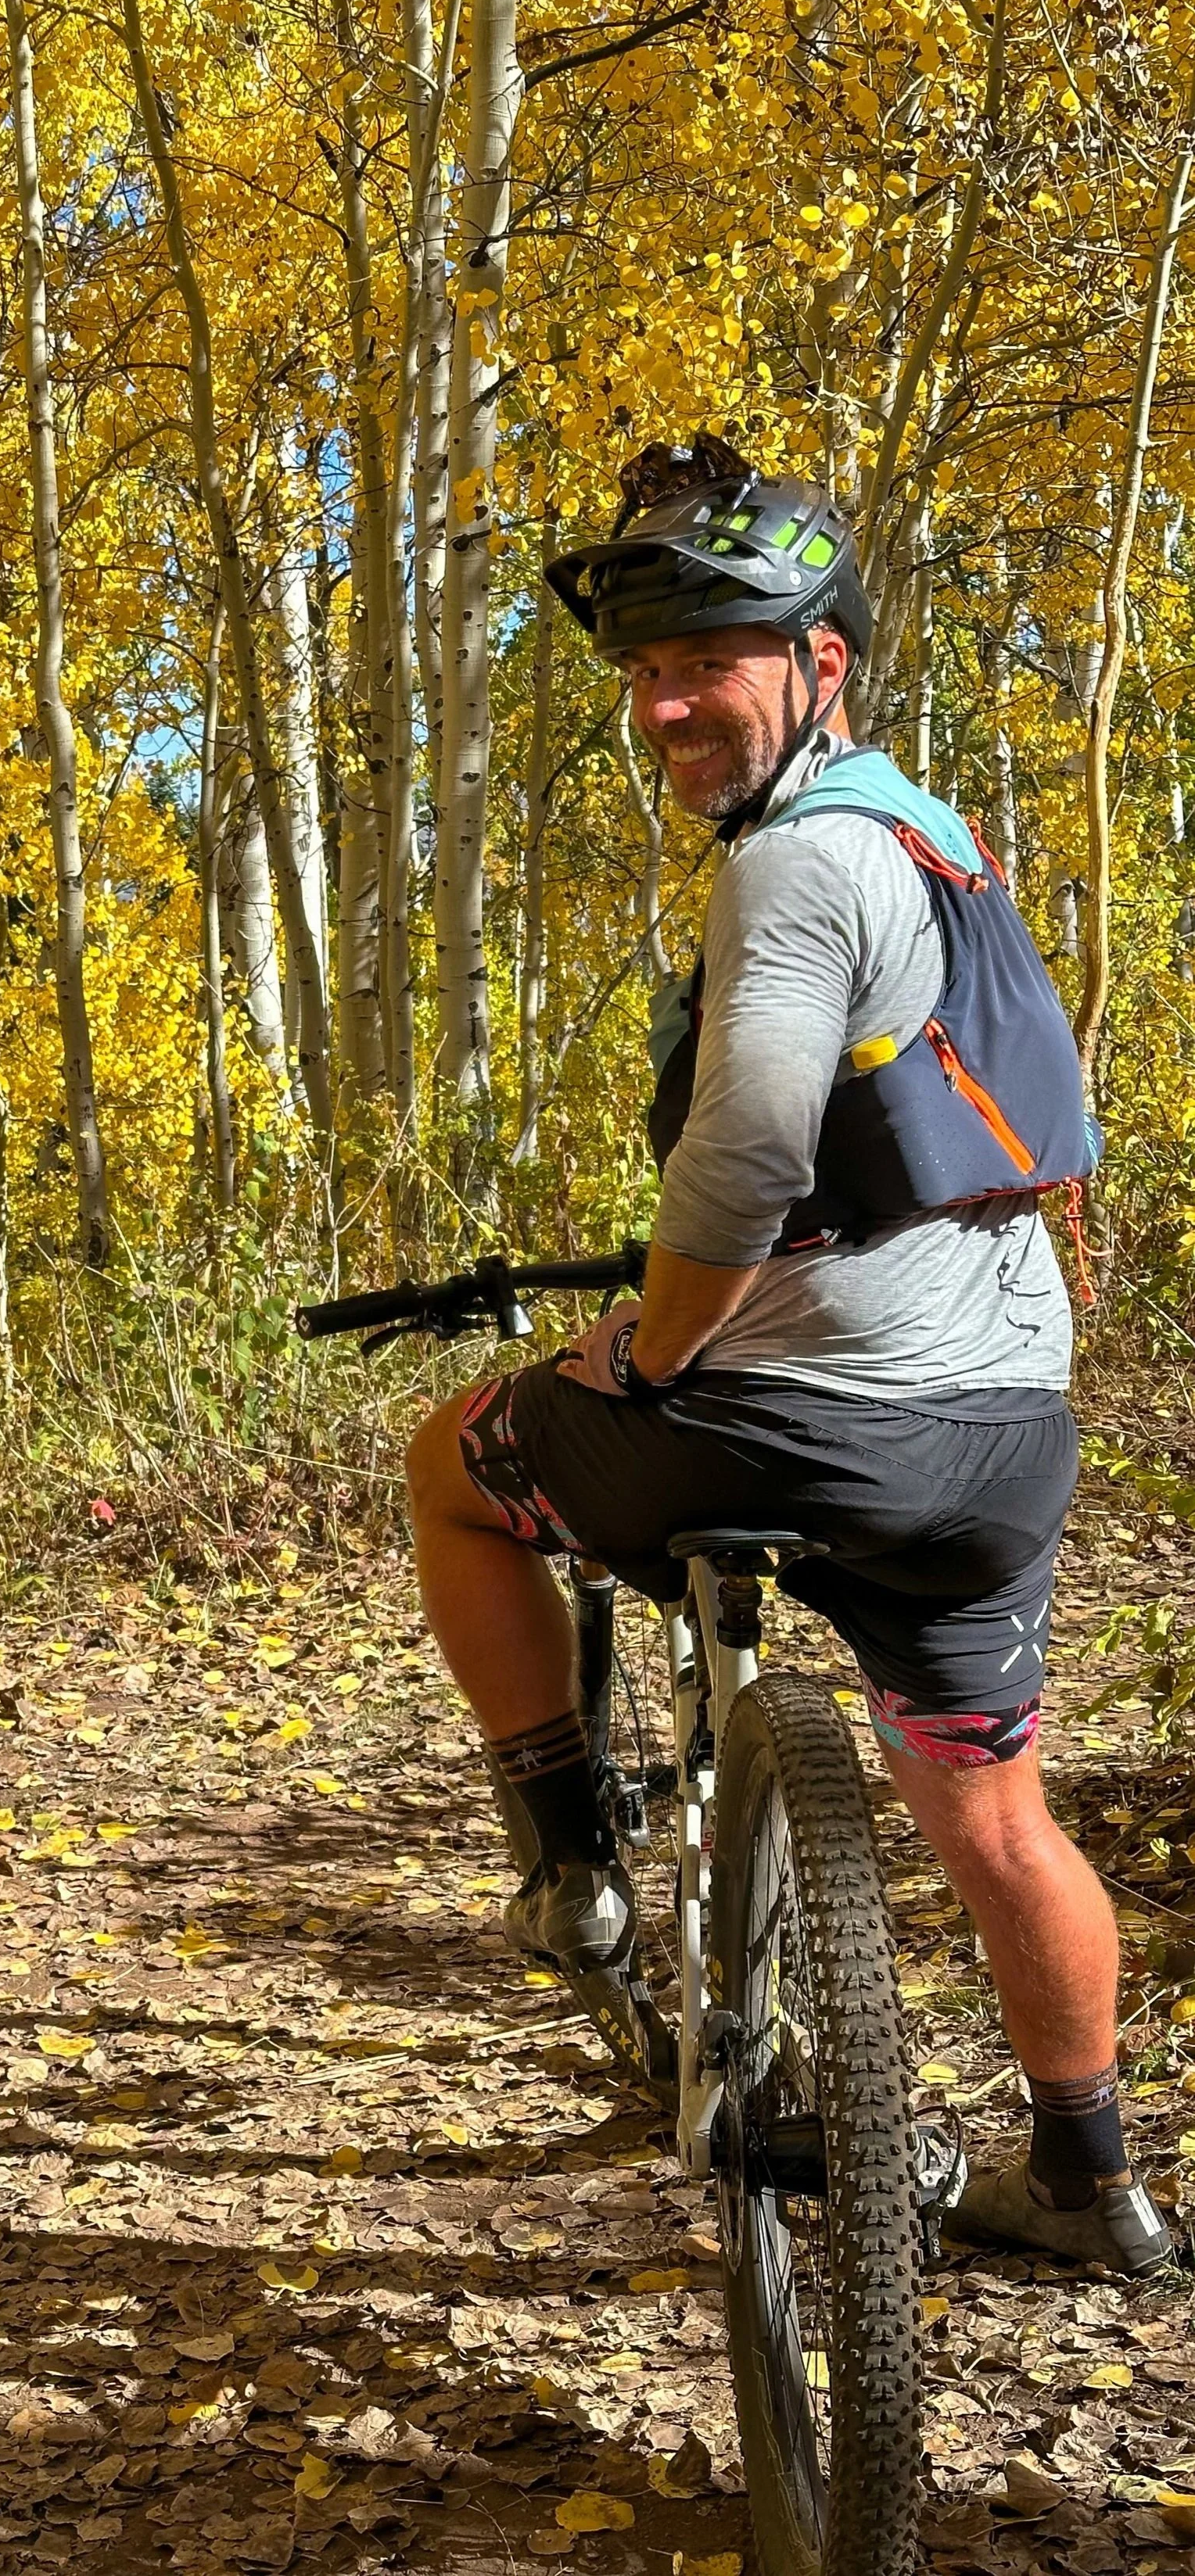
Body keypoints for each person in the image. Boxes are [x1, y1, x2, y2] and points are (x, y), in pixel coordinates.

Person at [405, 435, 1172, 2278]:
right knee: (996, 1811)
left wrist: (652, 1350)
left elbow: (744, 1155)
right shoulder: (934, 833)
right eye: (644, 675)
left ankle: (573, 1859)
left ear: (820, 661)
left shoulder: (798, 867)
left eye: (709, 663)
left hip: (788, 1425)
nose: (666, 703)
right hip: (998, 1434)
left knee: (452, 1466)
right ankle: (1093, 2180)